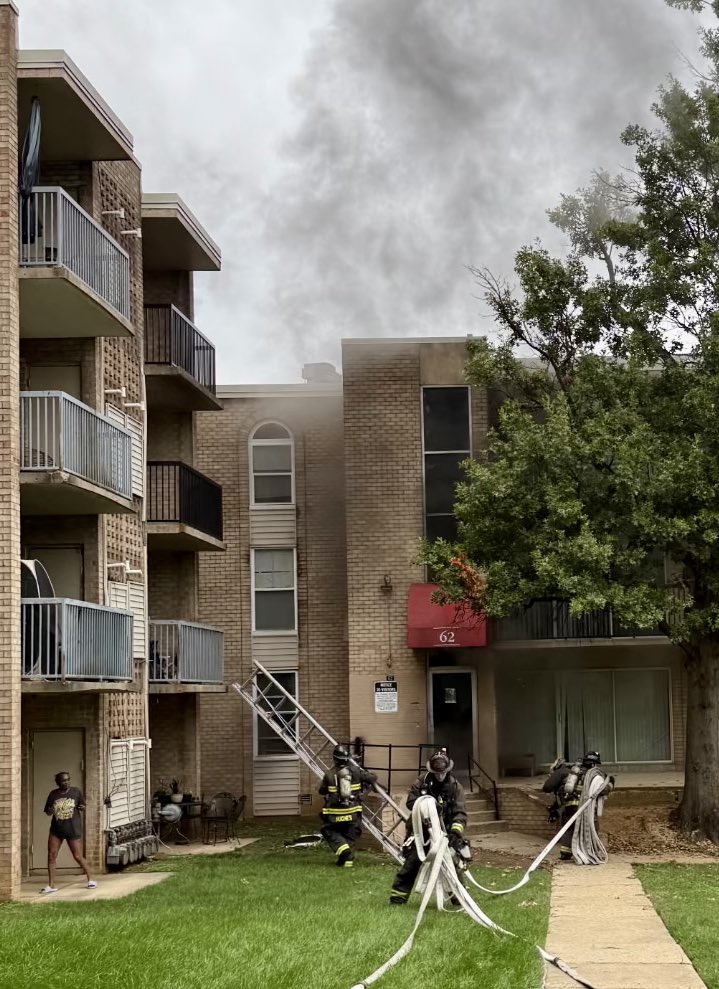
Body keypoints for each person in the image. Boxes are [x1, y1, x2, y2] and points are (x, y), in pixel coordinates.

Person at [389, 749, 468, 904]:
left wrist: (455, 832)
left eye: (443, 773)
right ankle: (398, 897)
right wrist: (428, 804)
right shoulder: (422, 782)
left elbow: (460, 812)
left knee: (451, 862)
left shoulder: (455, 787)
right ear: (431, 770)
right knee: (412, 862)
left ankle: (459, 899)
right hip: (422, 831)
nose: (440, 776)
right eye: (436, 773)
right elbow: (411, 802)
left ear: (448, 770)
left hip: (445, 832)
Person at [319, 744, 377, 868]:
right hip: (353, 813)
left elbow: (321, 791)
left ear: (334, 758)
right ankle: (348, 860)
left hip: (334, 814)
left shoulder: (329, 774)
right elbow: (372, 778)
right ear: (348, 758)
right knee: (350, 835)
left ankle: (344, 852)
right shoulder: (356, 771)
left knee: (328, 830)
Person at [542, 750, 603, 861]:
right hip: (585, 807)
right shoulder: (594, 776)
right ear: (594, 764)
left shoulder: (574, 773)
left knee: (569, 828)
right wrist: (611, 783)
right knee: (591, 827)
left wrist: (555, 807)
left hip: (571, 805)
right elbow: (602, 790)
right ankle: (591, 851)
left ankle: (565, 854)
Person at [41, 771, 96, 894]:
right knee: (51, 855)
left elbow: (82, 806)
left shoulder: (76, 792)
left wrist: (82, 807)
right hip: (56, 829)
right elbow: (48, 812)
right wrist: (51, 810)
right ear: (58, 782)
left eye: (68, 780)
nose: (66, 782)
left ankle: (91, 879)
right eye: (63, 780)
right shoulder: (53, 794)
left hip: (72, 828)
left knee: (77, 856)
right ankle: (51, 885)